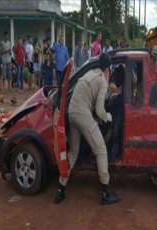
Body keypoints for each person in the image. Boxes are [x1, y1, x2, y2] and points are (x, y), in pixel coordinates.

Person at [54, 53, 120, 205]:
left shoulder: (89, 73)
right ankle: (106, 191)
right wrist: (108, 117)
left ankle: (60, 189)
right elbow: (99, 110)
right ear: (108, 69)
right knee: (101, 150)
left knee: (73, 153)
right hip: (83, 115)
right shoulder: (102, 80)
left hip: (72, 114)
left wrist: (95, 118)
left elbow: (86, 101)